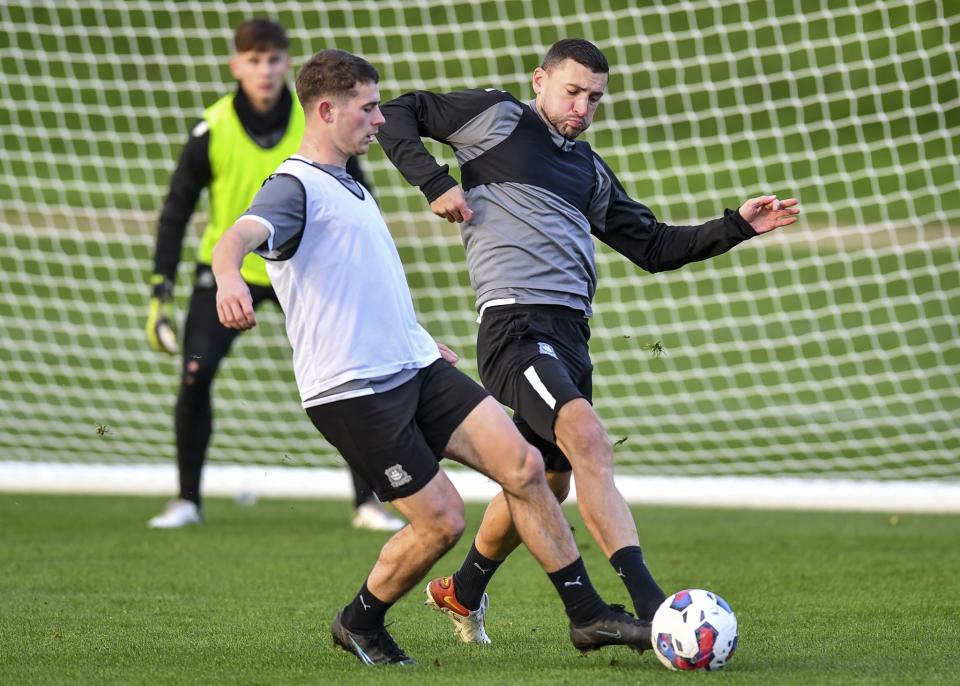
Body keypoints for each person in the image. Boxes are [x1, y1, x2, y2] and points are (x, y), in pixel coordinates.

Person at [212, 48, 656, 666]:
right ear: (325, 110)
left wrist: (417, 339)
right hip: (354, 391)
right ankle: (359, 620)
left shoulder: (351, 187)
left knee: (527, 468)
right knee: (441, 523)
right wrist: (228, 275)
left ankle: (589, 616)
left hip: (415, 365)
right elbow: (243, 233)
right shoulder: (296, 186)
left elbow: (365, 286)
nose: (378, 120)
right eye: (368, 109)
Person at [377, 38, 801, 642]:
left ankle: (462, 590)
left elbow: (653, 247)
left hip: (570, 336)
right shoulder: (496, 117)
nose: (582, 106)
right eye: (572, 91)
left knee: (542, 479)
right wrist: (433, 181)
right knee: (588, 440)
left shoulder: (589, 169)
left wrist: (737, 225)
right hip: (515, 327)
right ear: (540, 80)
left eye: (594, 98)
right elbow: (397, 111)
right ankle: (653, 607)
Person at [144, 19, 403, 532]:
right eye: (254, 60)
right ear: (236, 66)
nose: (265, 70)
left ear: (287, 64)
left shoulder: (313, 122)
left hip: (302, 268)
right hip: (230, 270)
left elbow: (358, 193)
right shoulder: (212, 128)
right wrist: (160, 291)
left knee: (351, 368)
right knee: (195, 374)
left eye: (274, 59)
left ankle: (366, 501)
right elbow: (176, 209)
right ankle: (187, 500)